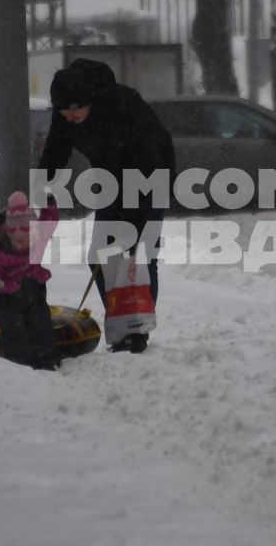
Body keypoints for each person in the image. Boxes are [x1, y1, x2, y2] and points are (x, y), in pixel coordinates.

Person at [38, 58, 175, 354]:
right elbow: (56, 148)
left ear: (89, 100)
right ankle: (121, 322)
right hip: (111, 182)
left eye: (75, 109)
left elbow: (148, 157)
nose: (69, 116)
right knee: (99, 257)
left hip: (151, 179)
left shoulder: (124, 105)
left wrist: (133, 219)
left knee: (137, 258)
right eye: (63, 111)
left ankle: (137, 333)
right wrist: (39, 185)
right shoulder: (66, 112)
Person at [0, 191, 59, 371]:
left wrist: (49, 206)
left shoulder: (37, 241)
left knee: (41, 326)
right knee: (15, 333)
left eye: (28, 237)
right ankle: (19, 363)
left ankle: (45, 359)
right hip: (8, 297)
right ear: (8, 234)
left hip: (35, 291)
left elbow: (48, 224)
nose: (24, 242)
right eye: (19, 239)